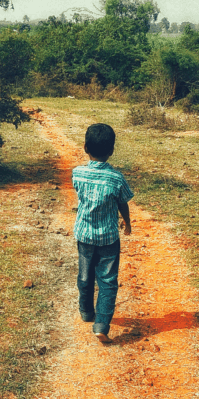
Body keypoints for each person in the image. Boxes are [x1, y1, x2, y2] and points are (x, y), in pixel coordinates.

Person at [72, 123, 133, 343]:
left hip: (84, 236)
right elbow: (123, 203)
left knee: (85, 275)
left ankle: (86, 312)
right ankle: (101, 325)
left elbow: (81, 195)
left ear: (85, 147)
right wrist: (127, 223)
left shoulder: (77, 173)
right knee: (107, 280)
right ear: (112, 150)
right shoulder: (117, 179)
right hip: (108, 238)